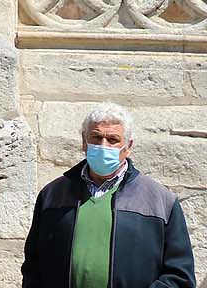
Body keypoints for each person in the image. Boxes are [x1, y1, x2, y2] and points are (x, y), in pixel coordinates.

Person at [22, 103, 195, 288]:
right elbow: (33, 266)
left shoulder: (161, 201)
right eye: (96, 138)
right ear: (84, 142)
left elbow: (180, 276)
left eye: (113, 140)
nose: (103, 146)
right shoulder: (52, 195)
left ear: (128, 147)